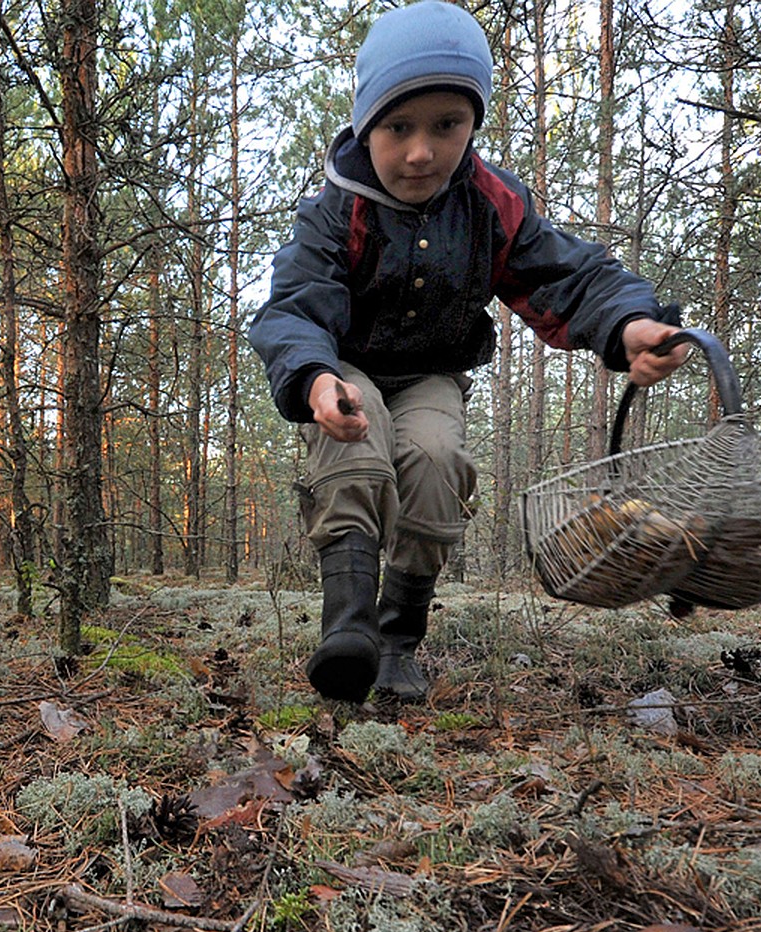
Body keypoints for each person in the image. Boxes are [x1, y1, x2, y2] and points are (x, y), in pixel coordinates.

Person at [248, 0, 688, 706]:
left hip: (430, 373)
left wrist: (629, 324)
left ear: (473, 124)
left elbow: (568, 277)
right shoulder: (337, 207)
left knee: (435, 463)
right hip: (344, 364)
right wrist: (315, 378)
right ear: (368, 125)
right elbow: (296, 304)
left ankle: (397, 642)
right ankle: (349, 633)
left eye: (446, 125)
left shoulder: (491, 204)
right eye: (399, 128)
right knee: (356, 452)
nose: (421, 151)